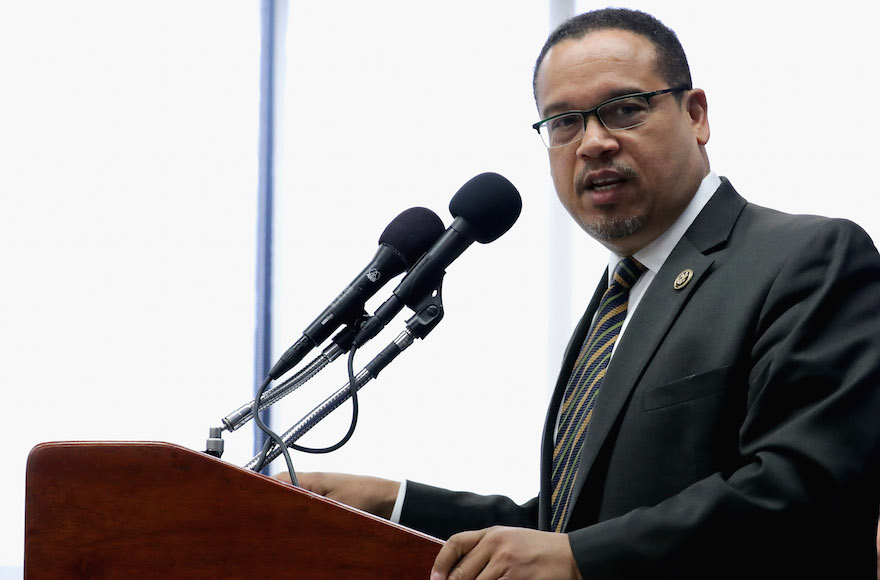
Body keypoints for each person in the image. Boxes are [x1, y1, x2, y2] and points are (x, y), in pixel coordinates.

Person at [277, 8, 880, 579]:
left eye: (622, 108)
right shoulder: (620, 297)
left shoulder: (807, 258)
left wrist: (584, 560)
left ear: (696, 115)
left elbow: (809, 494)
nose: (592, 142)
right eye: (564, 122)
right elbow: (567, 529)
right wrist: (392, 503)